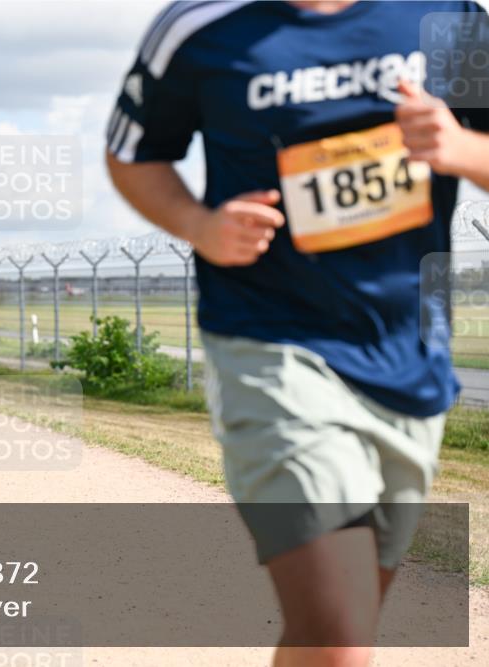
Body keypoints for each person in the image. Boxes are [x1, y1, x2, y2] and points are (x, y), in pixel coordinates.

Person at [105, 1, 489, 664]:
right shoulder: (200, 28)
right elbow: (131, 154)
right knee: (340, 634)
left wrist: (462, 147)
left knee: (337, 630)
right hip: (270, 346)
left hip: (409, 360)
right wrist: (199, 225)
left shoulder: (445, 16)